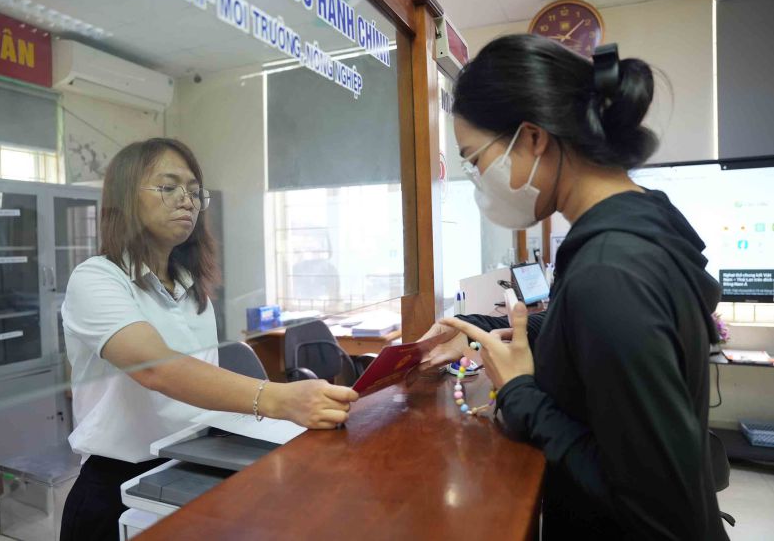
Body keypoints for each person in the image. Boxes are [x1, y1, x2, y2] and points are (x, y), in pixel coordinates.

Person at [421, 35, 728, 540]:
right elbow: (580, 326)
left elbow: (659, 512)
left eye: (475, 160)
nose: (477, 179)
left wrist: (519, 393)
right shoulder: (639, 226)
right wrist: (479, 329)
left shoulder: (610, 272)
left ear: (533, 139)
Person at [60, 138, 358, 540]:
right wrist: (278, 399)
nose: (187, 201)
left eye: (194, 191)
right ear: (126, 199)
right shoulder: (96, 278)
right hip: (116, 485)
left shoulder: (191, 288)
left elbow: (199, 386)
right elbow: (156, 368)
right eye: (168, 188)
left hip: (191, 464)